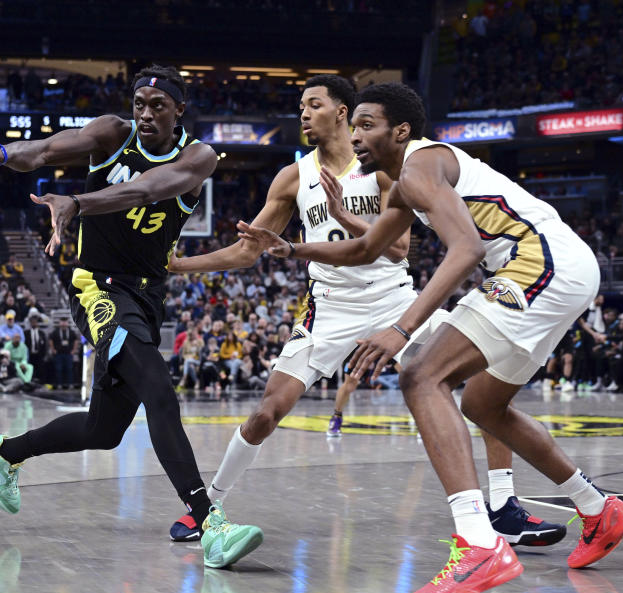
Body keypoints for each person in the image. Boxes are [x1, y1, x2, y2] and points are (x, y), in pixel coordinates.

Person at [240, 82, 623, 593]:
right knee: (482, 404)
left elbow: (467, 249)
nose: (356, 136)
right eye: (353, 125)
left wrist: (401, 329)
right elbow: (365, 248)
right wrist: (292, 248)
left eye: (366, 125)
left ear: (400, 131)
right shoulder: (406, 186)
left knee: (421, 374)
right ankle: (598, 508)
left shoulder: (421, 164)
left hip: (540, 263)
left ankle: (479, 544)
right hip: (559, 267)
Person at [168, 75, 559, 550]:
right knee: (268, 411)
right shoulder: (293, 177)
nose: (303, 114)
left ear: (341, 112)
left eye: (313, 105)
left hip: (392, 297)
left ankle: (503, 508)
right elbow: (249, 251)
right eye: (300, 106)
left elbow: (397, 249)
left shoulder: (382, 164)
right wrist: (174, 264)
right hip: (329, 307)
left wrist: (344, 214)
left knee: (486, 387)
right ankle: (207, 508)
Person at [0, 64, 261, 567]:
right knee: (158, 388)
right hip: (99, 288)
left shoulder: (198, 156)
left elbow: (146, 190)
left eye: (159, 105)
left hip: (149, 296)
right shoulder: (112, 134)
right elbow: (44, 150)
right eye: (140, 104)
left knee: (103, 431)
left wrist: (77, 202)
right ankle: (210, 523)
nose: (146, 113)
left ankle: (4, 452)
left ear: (180, 109)